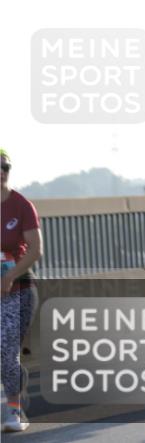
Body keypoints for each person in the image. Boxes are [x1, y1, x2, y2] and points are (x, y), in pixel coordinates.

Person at [1, 150, 41, 433]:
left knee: (7, 350)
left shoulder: (21, 205)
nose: (1, 171)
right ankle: (16, 380)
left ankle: (14, 411)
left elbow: (36, 250)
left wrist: (10, 276)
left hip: (20, 289)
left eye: (5, 167)